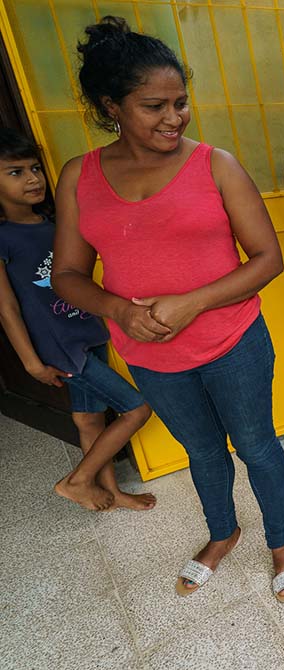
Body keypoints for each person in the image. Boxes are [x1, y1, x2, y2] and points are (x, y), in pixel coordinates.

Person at [51, 16, 284, 603]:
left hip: (232, 342)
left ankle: (283, 542)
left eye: (180, 103)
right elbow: (66, 275)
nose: (173, 118)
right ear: (110, 105)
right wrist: (117, 307)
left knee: (257, 444)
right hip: (148, 353)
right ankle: (223, 532)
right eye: (153, 106)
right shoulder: (78, 178)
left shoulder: (214, 164)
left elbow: (268, 258)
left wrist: (194, 302)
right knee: (200, 451)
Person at [0, 128, 154, 512]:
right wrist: (31, 362)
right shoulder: (3, 238)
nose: (33, 178)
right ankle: (78, 481)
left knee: (89, 421)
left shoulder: (56, 225)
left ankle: (112, 492)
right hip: (61, 346)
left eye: (34, 168)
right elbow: (7, 308)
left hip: (87, 330)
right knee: (137, 409)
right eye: (15, 172)